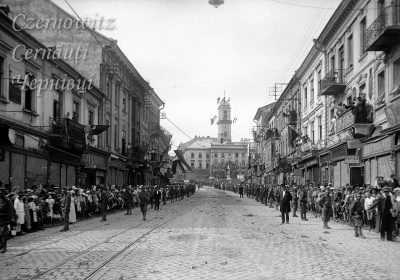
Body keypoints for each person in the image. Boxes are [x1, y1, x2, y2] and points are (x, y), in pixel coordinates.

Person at [0, 189, 13, 253]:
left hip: (4, 218)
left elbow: (10, 211)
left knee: (3, 233)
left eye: (1, 193)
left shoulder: (7, 201)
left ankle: (4, 247)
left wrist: (8, 220)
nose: (0, 194)